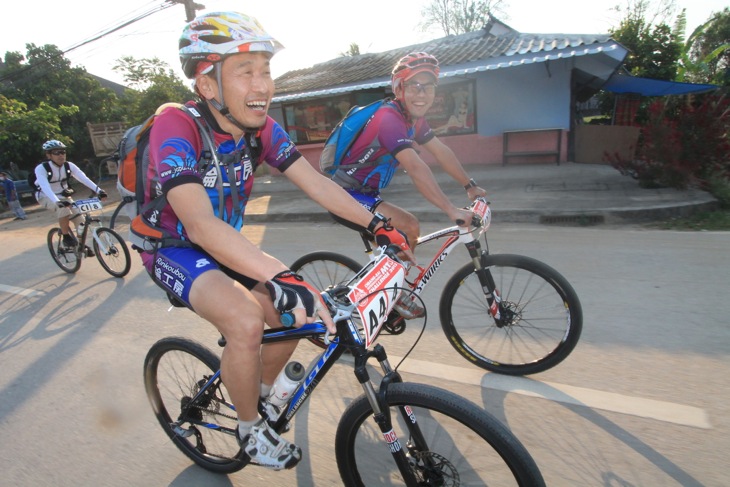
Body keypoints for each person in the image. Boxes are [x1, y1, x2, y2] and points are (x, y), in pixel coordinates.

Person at [141, 11, 410, 471]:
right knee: (246, 320)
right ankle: (250, 433)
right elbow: (201, 227)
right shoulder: (176, 126)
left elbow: (320, 185)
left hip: (226, 243)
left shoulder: (261, 129)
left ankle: (255, 398)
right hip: (173, 247)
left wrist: (375, 223)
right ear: (207, 85)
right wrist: (279, 273)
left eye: (265, 70)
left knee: (297, 313)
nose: (262, 84)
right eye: (245, 71)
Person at [329, 51, 487, 318]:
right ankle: (391, 297)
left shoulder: (414, 120)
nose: (422, 94)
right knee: (407, 226)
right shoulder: (388, 119)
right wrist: (452, 210)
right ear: (399, 88)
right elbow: (415, 167)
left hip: (366, 194)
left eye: (429, 87)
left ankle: (387, 295)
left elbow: (440, 151)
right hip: (343, 195)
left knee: (406, 234)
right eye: (414, 85)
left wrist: (469, 185)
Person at [33, 140, 107, 253]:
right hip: (45, 196)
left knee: (81, 222)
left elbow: (83, 178)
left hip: (63, 196)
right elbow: (44, 186)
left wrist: (99, 190)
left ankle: (80, 246)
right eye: (56, 152)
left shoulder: (69, 166)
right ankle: (66, 237)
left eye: (63, 152)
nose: (61, 155)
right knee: (64, 210)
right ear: (49, 155)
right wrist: (56, 201)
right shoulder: (41, 168)